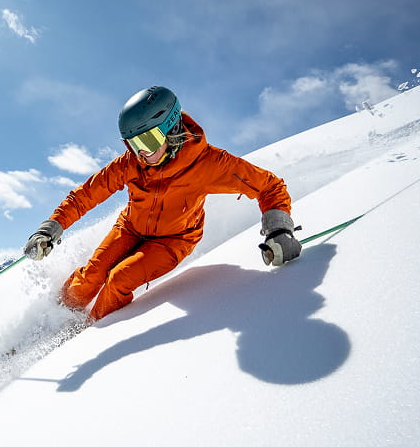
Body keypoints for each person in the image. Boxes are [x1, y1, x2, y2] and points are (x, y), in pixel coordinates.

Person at [23, 86, 301, 322]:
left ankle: (89, 333)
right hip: (130, 228)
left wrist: (279, 230)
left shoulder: (210, 164)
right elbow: (87, 194)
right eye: (133, 144)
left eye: (148, 140)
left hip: (173, 240)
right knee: (91, 277)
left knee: (118, 279)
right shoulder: (131, 163)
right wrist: (52, 227)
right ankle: (58, 317)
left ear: (171, 128)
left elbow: (270, 186)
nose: (142, 152)